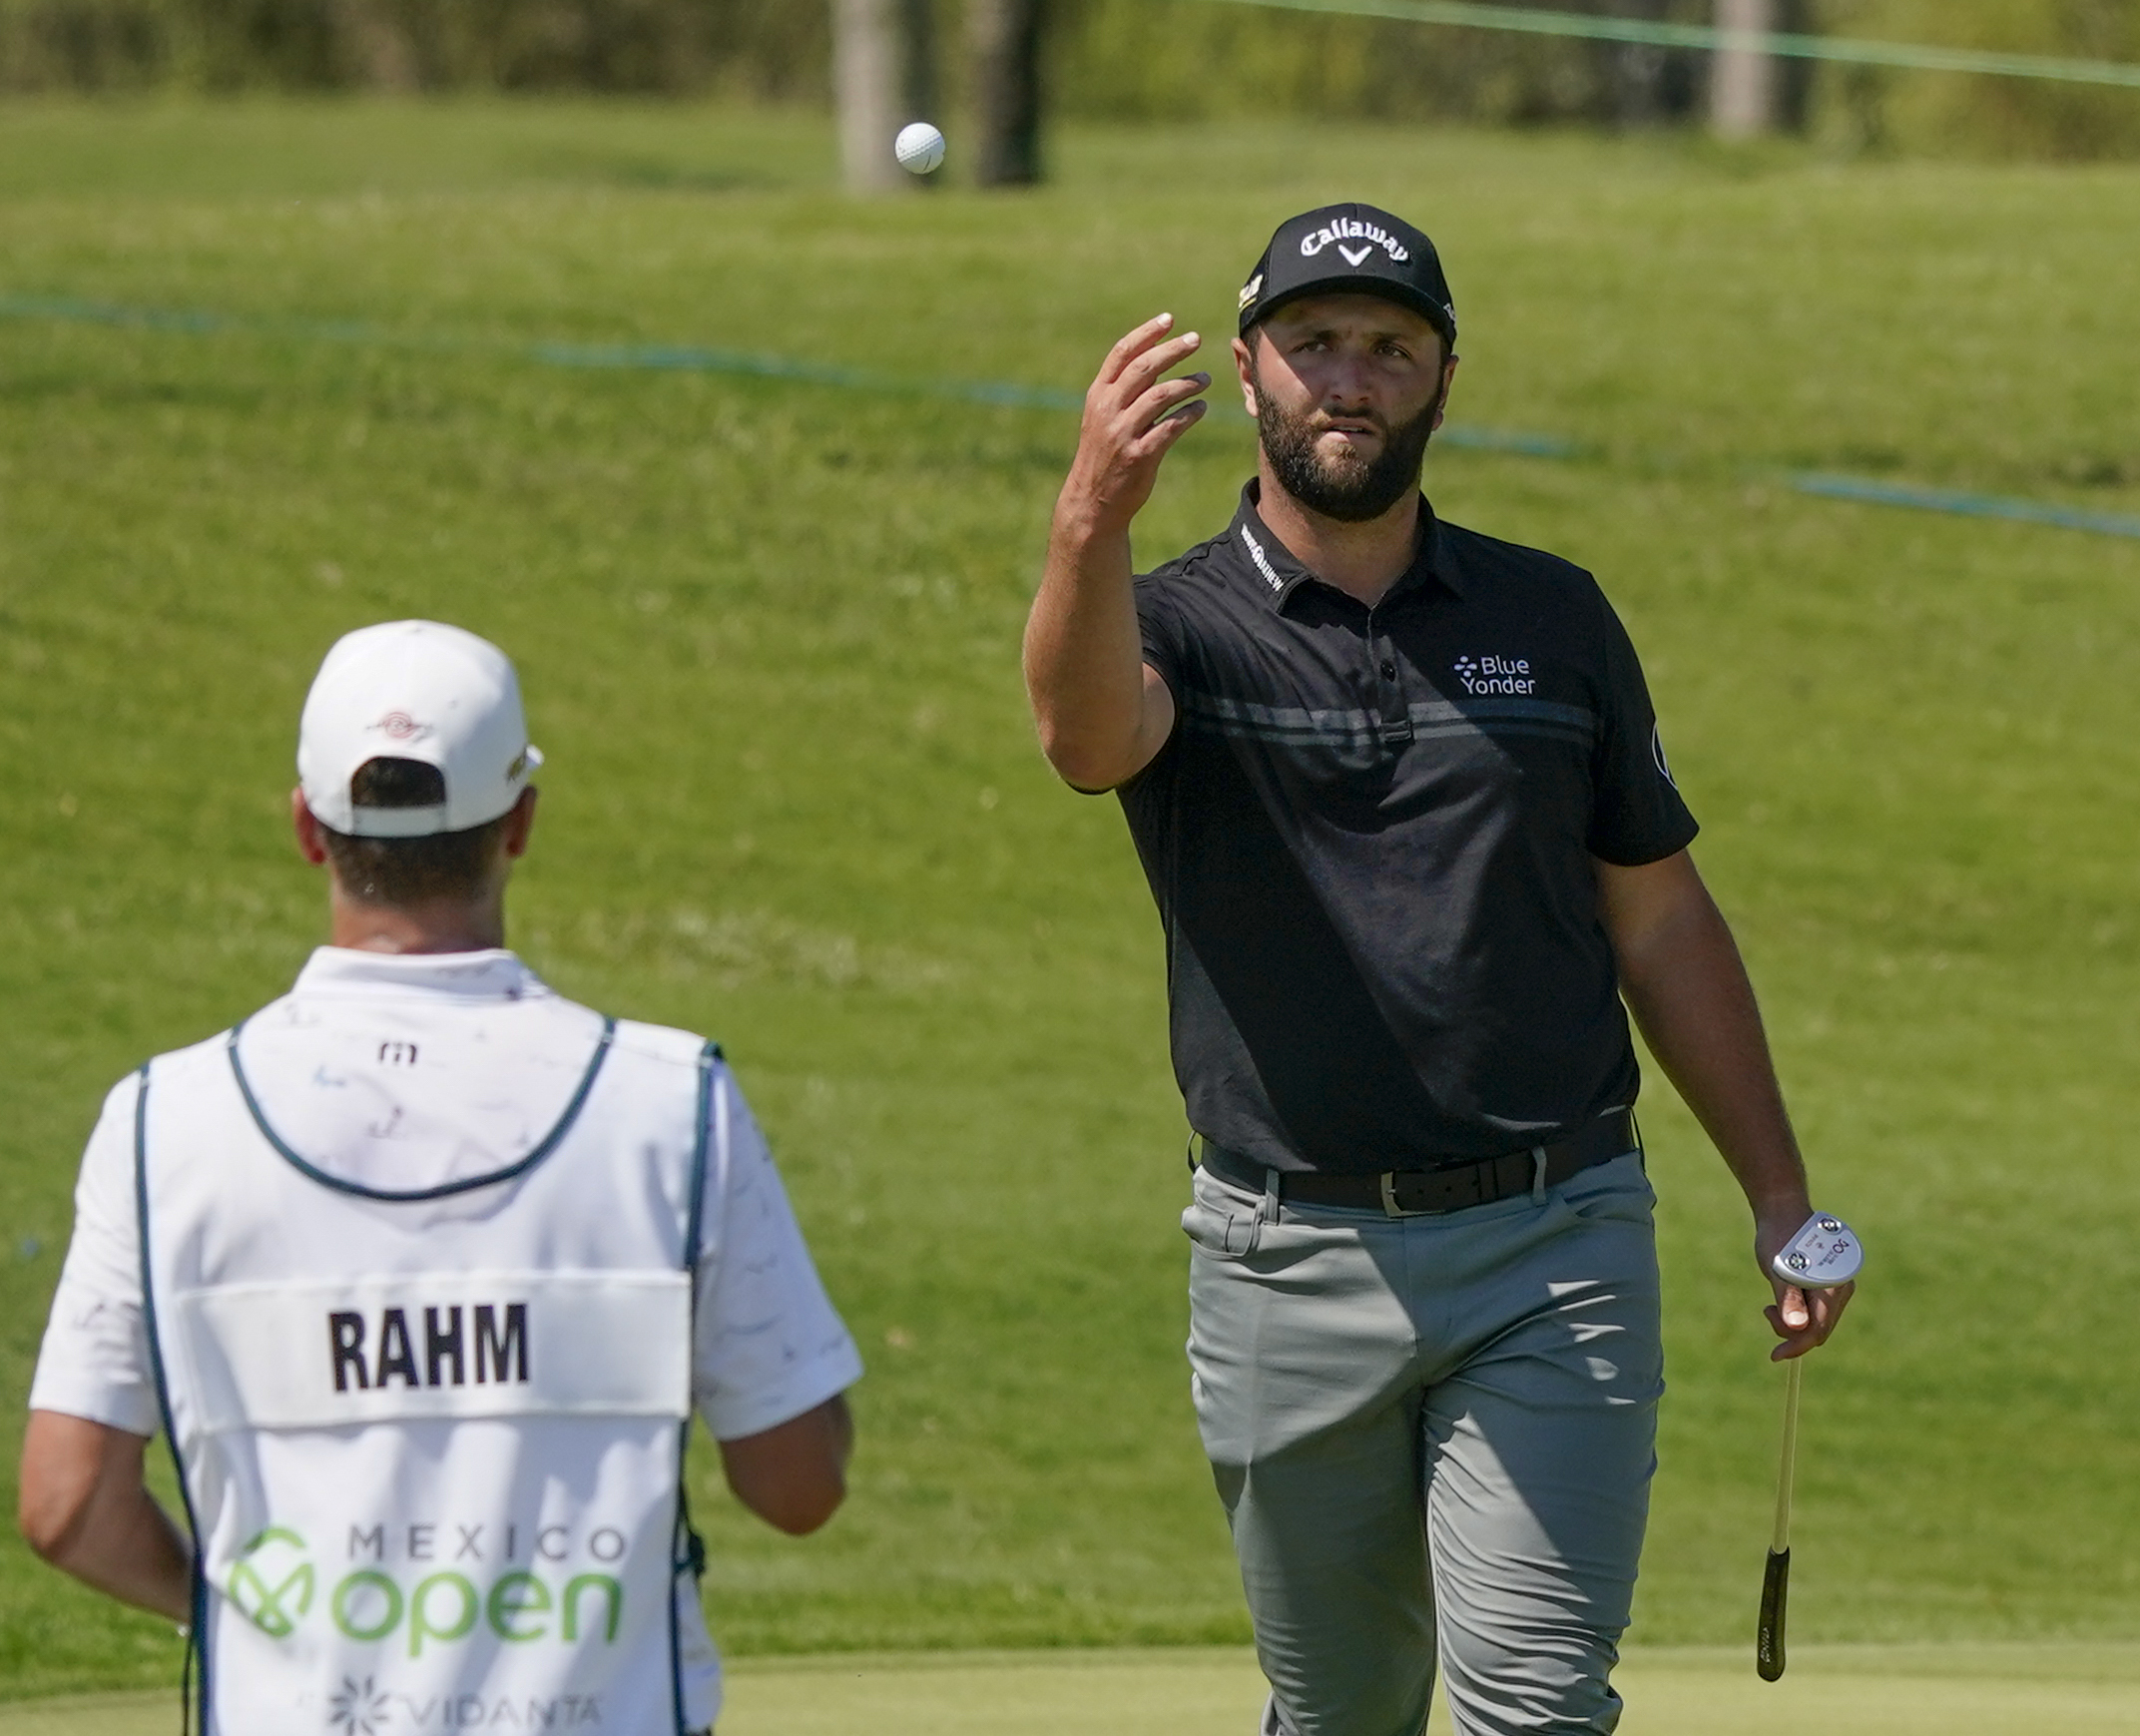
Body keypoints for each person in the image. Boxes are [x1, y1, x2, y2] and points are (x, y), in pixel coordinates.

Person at [1022, 203, 1852, 1735]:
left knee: (1535, 1706)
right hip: (1285, 1254)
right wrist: (1088, 522)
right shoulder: (1180, 625)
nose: (1350, 377)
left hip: (1556, 1238)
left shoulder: (1552, 617)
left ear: (1443, 381)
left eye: (1390, 349)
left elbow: (1659, 919)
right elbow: (1084, 740)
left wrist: (1781, 1193)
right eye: (1316, 342)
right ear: (1254, 369)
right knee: (1341, 1713)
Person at [18, 620, 862, 1735]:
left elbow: (67, 1503)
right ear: (519, 822)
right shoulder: (669, 1103)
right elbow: (798, 1487)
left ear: (309, 832)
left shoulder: (162, 1121)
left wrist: (240, 1616)